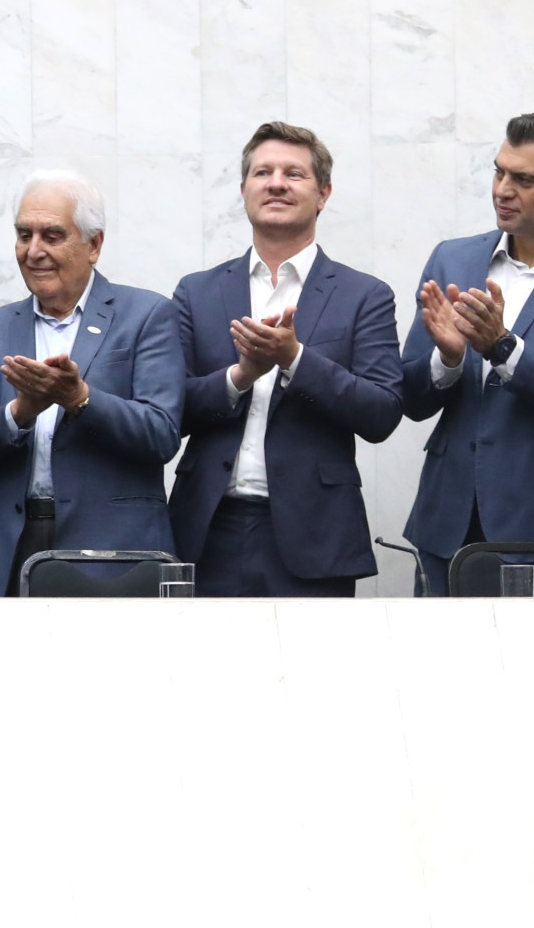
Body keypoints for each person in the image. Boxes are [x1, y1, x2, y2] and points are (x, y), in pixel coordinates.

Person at [169, 123, 403, 597]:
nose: (276, 183)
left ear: (323, 193)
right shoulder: (197, 292)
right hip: (206, 530)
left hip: (315, 533)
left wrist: (295, 359)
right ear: (244, 191)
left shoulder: (365, 295)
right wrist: (239, 377)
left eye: (294, 174)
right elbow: (167, 408)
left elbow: (381, 411)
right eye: (263, 172)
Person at [401, 110, 534, 595]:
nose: (502, 189)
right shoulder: (452, 258)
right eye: (499, 171)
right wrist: (449, 360)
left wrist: (502, 347)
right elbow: (410, 399)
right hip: (450, 522)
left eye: (524, 179)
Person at [0, 170, 182, 596]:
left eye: (52, 235)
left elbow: (161, 434)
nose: (34, 251)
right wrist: (20, 412)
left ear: (94, 245)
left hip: (113, 553)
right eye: (23, 234)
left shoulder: (146, 316)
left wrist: (79, 397)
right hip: (13, 544)